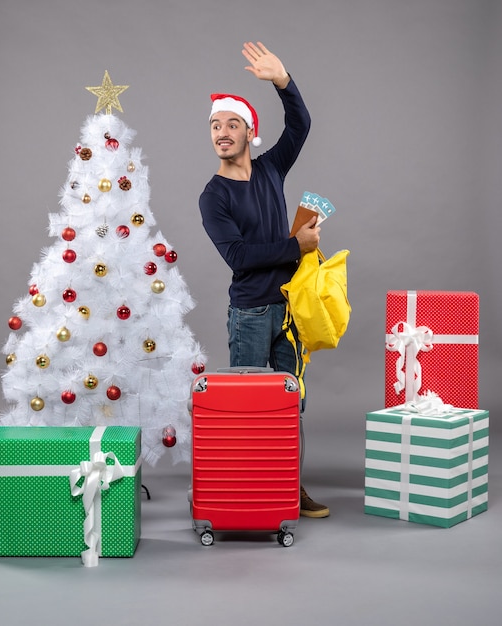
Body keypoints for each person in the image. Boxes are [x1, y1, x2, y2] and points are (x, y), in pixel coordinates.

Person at [199, 41, 329, 518]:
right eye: (215, 125)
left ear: (249, 132)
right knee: (249, 409)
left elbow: (302, 125)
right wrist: (296, 247)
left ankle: (289, 489)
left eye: (232, 123)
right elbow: (238, 256)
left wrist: (283, 81)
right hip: (250, 315)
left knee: (291, 405)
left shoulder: (271, 169)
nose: (222, 132)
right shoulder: (212, 197)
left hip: (289, 310)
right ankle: (246, 492)